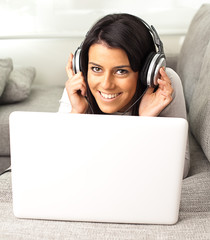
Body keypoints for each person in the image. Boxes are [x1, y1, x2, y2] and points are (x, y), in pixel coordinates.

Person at [59, 13, 190, 178]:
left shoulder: (163, 85)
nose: (106, 84)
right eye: (96, 69)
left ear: (146, 72)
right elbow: (54, 159)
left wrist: (145, 122)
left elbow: (180, 170)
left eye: (121, 71)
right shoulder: (80, 83)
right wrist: (76, 112)